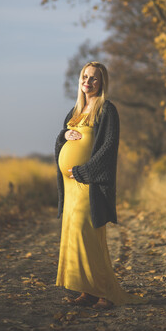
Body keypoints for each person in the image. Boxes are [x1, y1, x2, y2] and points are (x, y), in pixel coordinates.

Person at [55, 61, 146, 308]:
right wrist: (63, 136)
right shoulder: (75, 110)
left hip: (89, 184)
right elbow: (62, 136)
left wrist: (85, 171)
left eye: (94, 78)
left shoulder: (107, 110)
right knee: (76, 238)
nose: (88, 81)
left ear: (102, 82)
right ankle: (88, 291)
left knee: (91, 239)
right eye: (85, 76)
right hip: (72, 187)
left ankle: (105, 293)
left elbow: (108, 148)